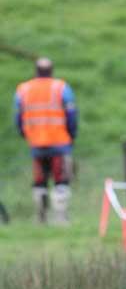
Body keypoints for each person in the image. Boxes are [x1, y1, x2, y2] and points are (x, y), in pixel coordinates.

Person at [14, 57, 78, 224]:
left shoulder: (23, 89)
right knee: (61, 180)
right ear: (52, 70)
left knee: (40, 181)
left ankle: (41, 217)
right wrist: (72, 134)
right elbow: (71, 114)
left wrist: (25, 133)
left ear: (36, 70)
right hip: (60, 142)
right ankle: (61, 218)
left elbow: (18, 116)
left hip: (36, 143)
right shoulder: (61, 87)